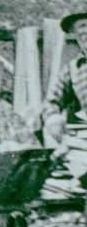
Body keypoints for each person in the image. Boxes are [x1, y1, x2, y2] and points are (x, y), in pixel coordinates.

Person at [43, 12, 87, 141]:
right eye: (80, 32)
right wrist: (53, 119)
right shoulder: (73, 69)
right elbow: (52, 102)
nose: (84, 33)